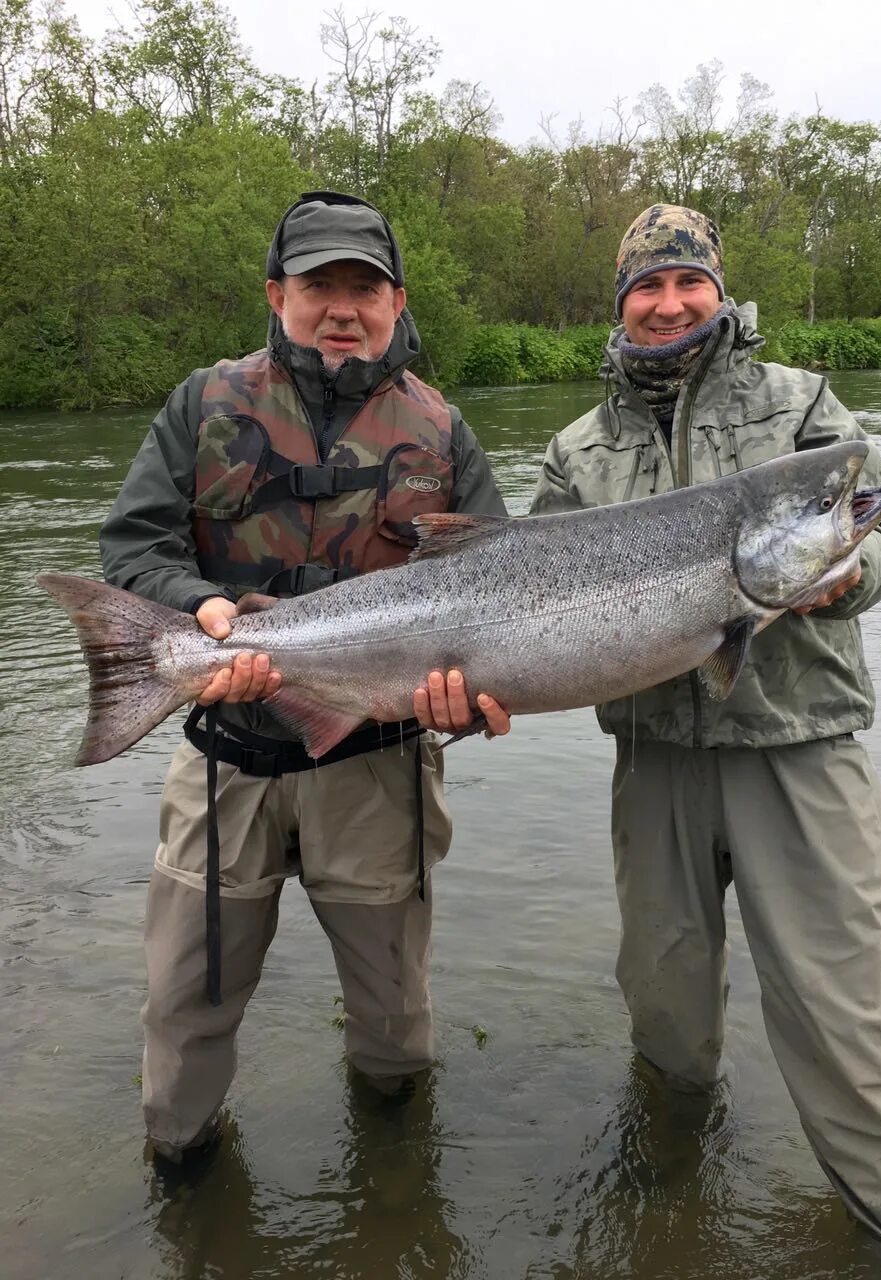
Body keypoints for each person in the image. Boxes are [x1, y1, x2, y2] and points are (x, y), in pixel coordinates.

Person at [416, 205, 881, 1268]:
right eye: (645, 288)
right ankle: (672, 1203)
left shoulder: (804, 409)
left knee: (844, 1014)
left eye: (686, 283)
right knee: (664, 1009)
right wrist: (462, 699)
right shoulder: (577, 449)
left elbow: (879, 548)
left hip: (801, 749)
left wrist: (843, 576)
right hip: (654, 761)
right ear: (622, 304)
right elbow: (518, 614)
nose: (667, 304)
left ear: (716, 289)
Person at [99, 190, 507, 1164]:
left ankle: (395, 1183)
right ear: (276, 292)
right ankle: (186, 1180)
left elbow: (499, 594)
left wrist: (470, 702)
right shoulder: (203, 404)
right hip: (223, 763)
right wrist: (196, 610)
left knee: (395, 1028)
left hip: (380, 767)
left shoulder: (445, 433)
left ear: (397, 299)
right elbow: (132, 549)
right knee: (183, 1018)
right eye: (318, 284)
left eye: (362, 287)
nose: (341, 307)